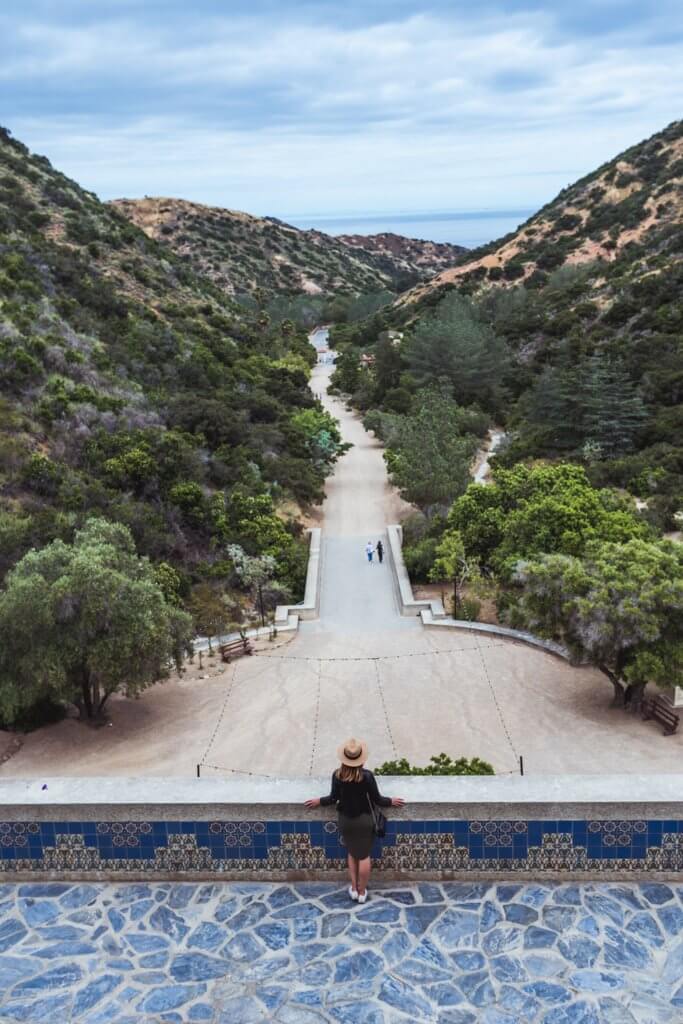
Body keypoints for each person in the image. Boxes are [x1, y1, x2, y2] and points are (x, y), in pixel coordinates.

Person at [305, 738, 404, 903]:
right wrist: (391, 801)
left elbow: (333, 798)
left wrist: (318, 801)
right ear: (361, 759)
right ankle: (362, 891)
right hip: (364, 820)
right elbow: (378, 799)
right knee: (364, 856)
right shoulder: (367, 776)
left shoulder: (337, 775)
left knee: (352, 852)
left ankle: (353, 888)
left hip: (346, 820)